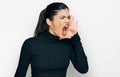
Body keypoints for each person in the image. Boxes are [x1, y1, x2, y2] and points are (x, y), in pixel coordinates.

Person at [14, 2, 89, 77]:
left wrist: (75, 37)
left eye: (68, 17)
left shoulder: (67, 44)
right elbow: (20, 74)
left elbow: (83, 69)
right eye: (62, 17)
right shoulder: (31, 44)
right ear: (49, 21)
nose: (67, 21)